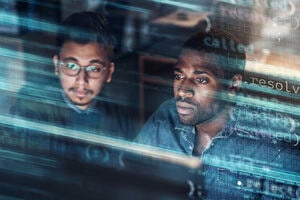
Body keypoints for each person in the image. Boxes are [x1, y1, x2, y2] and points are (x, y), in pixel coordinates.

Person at [136, 29, 299, 199]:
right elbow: (129, 177)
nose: (183, 91)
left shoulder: (272, 144)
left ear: (233, 85)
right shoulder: (166, 117)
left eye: (201, 80)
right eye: (179, 75)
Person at [9, 11, 137, 165]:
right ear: (57, 66)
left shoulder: (120, 117)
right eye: (71, 66)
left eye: (94, 68)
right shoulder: (31, 105)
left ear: (109, 72)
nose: (81, 81)